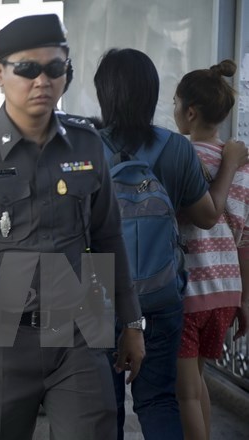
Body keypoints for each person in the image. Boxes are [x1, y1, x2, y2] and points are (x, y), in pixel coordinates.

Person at [0, 14, 145, 440]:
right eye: (27, 69)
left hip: (79, 331)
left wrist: (131, 322)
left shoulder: (86, 142)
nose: (41, 80)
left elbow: (108, 236)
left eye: (55, 68)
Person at [94, 48, 248, 440]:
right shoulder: (176, 149)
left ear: (104, 95)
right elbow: (207, 216)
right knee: (161, 400)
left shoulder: (87, 150)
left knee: (102, 403)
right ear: (152, 95)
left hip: (100, 294)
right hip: (161, 295)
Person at [172, 59, 249, 440]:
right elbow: (246, 239)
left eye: (174, 104)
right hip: (226, 293)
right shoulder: (242, 167)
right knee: (198, 381)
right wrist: (245, 300)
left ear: (189, 111)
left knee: (183, 392)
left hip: (191, 291)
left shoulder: (182, 158)